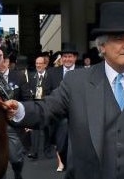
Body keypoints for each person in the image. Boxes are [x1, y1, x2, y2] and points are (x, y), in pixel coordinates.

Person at [3, 2, 124, 179]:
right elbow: (46, 109)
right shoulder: (76, 83)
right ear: (102, 46)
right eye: (119, 39)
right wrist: (18, 110)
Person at [0, 48, 32, 179]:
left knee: (16, 159)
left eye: (0, 58)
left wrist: (28, 118)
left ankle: (18, 173)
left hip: (14, 124)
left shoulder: (19, 76)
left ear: (6, 61)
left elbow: (27, 98)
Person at [44, 42, 79, 172]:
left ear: (75, 58)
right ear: (61, 58)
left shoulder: (83, 72)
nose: (67, 59)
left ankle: (72, 163)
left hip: (78, 113)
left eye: (70, 56)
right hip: (58, 114)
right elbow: (46, 92)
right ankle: (61, 161)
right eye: (65, 56)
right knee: (60, 140)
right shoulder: (52, 72)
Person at [26, 55, 51, 160]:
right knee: (35, 127)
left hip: (46, 105)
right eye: (37, 63)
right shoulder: (31, 77)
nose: (38, 65)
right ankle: (34, 152)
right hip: (35, 105)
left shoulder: (50, 77)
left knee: (47, 129)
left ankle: (47, 150)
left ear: (45, 64)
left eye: (40, 63)